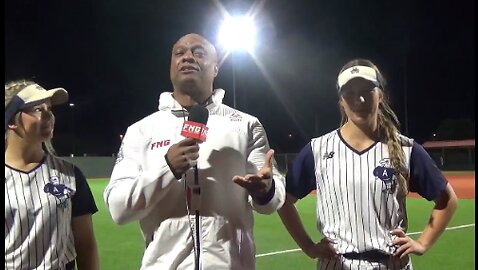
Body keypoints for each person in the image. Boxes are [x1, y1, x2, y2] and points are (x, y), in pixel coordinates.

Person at [104, 33, 286, 270]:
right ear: (171, 66)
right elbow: (118, 210)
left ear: (216, 69)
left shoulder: (246, 125)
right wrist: (166, 169)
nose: (187, 57)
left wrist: (266, 191)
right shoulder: (141, 130)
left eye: (198, 52)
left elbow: (272, 201)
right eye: (179, 53)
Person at [278, 59, 458, 270]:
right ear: (341, 102)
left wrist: (422, 244)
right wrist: (308, 246)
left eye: (367, 90)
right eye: (350, 93)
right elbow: (283, 201)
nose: (359, 99)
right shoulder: (318, 150)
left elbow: (447, 199)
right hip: (337, 264)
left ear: (380, 96)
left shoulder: (405, 149)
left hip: (392, 264)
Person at [5, 80, 100, 270]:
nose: (49, 115)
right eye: (38, 109)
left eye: (49, 108)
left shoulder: (71, 175)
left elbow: (86, 246)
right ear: (11, 121)